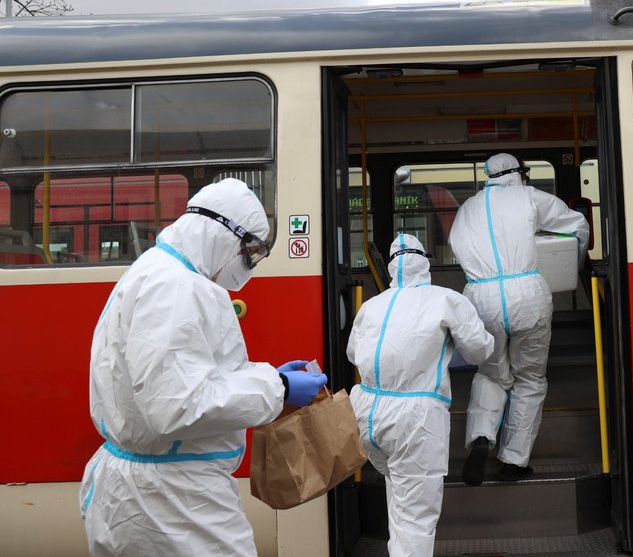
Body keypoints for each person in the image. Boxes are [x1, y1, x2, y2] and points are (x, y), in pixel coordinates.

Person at [79, 178, 328, 557]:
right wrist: (277, 386)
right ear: (224, 233)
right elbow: (177, 406)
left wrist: (263, 375)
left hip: (158, 493)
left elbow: (186, 377)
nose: (251, 265)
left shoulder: (160, 271)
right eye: (252, 252)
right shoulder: (176, 288)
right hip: (174, 502)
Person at [347, 233, 493, 557]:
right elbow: (479, 350)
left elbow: (353, 353)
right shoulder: (444, 299)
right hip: (415, 421)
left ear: (390, 267)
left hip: (367, 413)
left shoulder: (371, 306)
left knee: (400, 501)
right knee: (415, 519)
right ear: (425, 263)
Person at [450, 153, 589, 485]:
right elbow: (577, 227)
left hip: (481, 297)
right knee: (529, 378)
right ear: (517, 174)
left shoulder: (466, 208)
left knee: (491, 373)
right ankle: (514, 460)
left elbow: (459, 249)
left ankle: (482, 436)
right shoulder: (530, 197)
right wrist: (576, 263)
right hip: (527, 294)